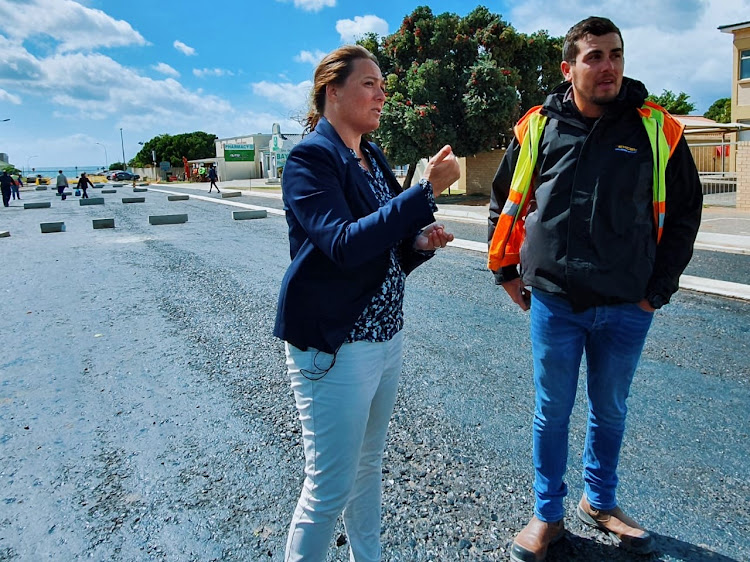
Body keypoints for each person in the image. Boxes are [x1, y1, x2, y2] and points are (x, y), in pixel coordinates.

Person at [487, 16, 702, 562]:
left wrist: (658, 289)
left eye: (615, 54)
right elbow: (505, 200)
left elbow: (684, 215)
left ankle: (600, 502)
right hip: (555, 300)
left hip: (628, 303)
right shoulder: (538, 126)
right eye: (594, 56)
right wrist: (507, 272)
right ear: (569, 68)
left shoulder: (657, 129)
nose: (607, 66)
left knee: (610, 409)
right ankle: (547, 515)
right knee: (551, 411)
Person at [274, 45, 460, 561]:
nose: (383, 94)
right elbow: (344, 244)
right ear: (333, 91)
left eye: (383, 84)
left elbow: (384, 242)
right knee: (329, 487)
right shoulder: (310, 158)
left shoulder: (372, 154)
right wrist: (423, 192)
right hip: (336, 344)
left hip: (385, 337)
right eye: (370, 84)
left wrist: (418, 243)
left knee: (368, 466)